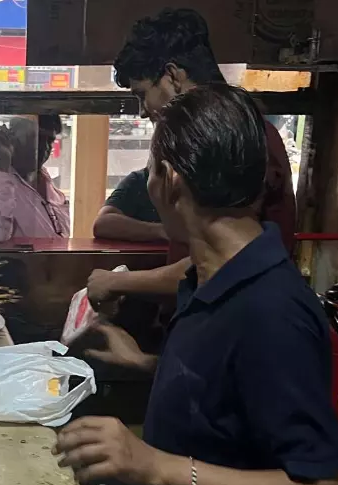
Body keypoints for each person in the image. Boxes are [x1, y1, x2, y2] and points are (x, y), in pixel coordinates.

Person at [55, 84, 338, 485]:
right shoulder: (211, 275)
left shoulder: (271, 312)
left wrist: (153, 466)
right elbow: (235, 397)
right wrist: (147, 365)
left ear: (170, 180)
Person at [89, 8, 298, 297]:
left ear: (173, 76)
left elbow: (222, 264)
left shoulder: (242, 137)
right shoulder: (212, 136)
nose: (142, 110)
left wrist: (117, 283)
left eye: (141, 94)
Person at [0, 115, 69, 242]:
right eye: (38, 139)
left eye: (50, 141)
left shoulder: (43, 178)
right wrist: (4, 164)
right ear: (13, 138)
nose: (45, 148)